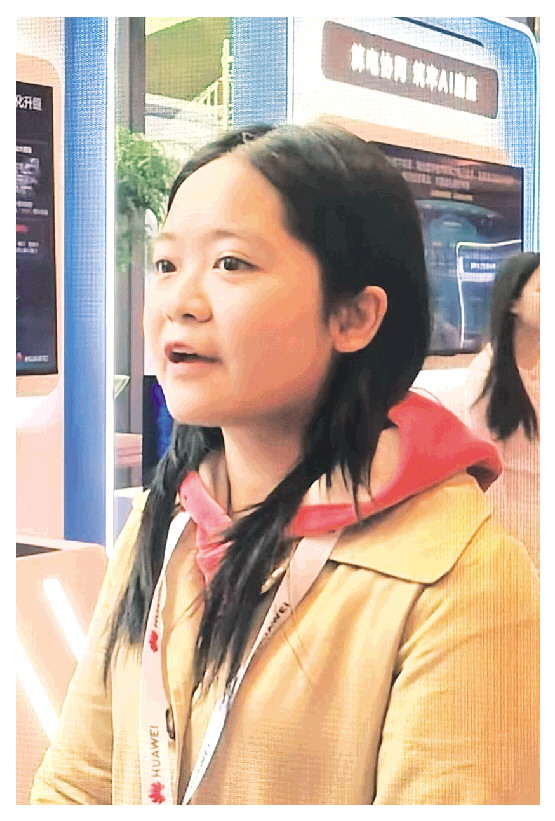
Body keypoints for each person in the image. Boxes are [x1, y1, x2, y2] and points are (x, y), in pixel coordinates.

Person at [30, 123, 539, 805]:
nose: (180, 301)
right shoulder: (167, 518)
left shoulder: (463, 577)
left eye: (231, 263)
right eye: (167, 264)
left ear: (354, 316)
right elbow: (77, 780)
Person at [465, 252, 540, 570]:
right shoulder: (487, 375)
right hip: (513, 532)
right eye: (542, 290)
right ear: (513, 303)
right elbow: (484, 470)